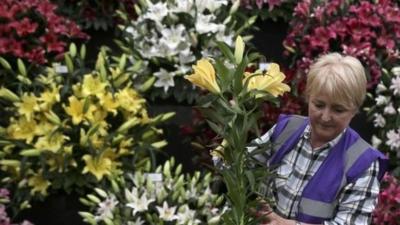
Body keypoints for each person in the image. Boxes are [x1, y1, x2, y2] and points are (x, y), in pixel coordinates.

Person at [252, 52, 388, 225]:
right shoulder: (286, 129)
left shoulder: (362, 162)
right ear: (308, 98)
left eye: (338, 110)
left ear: (354, 111)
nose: (325, 117)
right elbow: (238, 164)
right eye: (319, 105)